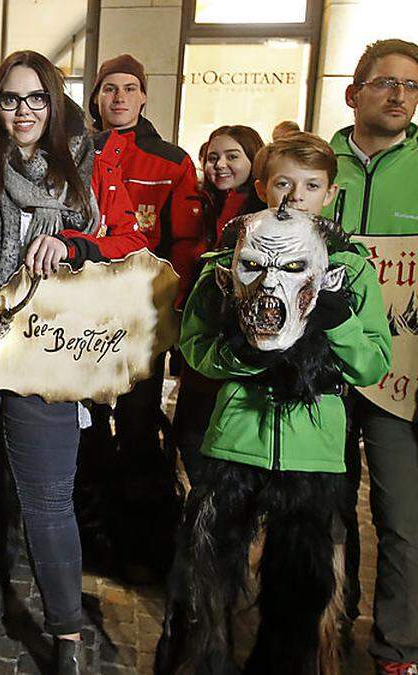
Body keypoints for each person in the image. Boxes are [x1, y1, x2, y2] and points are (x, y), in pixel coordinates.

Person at [0, 49, 147, 674]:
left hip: (49, 353)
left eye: (36, 98)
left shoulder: (88, 168)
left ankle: (66, 629)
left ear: (54, 101)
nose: (23, 112)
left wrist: (73, 241)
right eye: (11, 99)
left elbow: (129, 243)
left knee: (47, 495)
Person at [162, 140, 390, 671]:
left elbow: (372, 365)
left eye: (311, 186)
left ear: (330, 194)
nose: (295, 198)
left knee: (299, 586)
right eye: (283, 183)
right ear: (262, 188)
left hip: (315, 449)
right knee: (206, 578)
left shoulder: (351, 270)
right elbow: (196, 351)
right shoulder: (225, 263)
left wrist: (338, 318)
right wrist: (242, 351)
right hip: (236, 439)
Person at [76, 53, 208, 582]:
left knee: (136, 424)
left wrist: (166, 310)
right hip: (82, 317)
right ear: (97, 97)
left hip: (141, 319)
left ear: (145, 95)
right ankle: (87, 532)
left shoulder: (172, 161)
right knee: (83, 426)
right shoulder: (76, 153)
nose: (120, 98)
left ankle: (138, 539)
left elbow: (184, 243)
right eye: (110, 88)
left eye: (130, 88)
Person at [322, 38, 418, 675]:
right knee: (327, 514)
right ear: (353, 92)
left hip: (401, 375)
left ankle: (397, 649)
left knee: (403, 519)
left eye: (411, 86)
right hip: (323, 374)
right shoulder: (313, 164)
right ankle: (327, 629)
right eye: (387, 83)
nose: (400, 95)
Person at [171, 123, 267, 480]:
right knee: (191, 439)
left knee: (212, 450)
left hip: (233, 354)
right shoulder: (206, 207)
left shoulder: (257, 214)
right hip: (202, 351)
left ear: (254, 161)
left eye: (232, 156)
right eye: (213, 157)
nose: (220, 165)